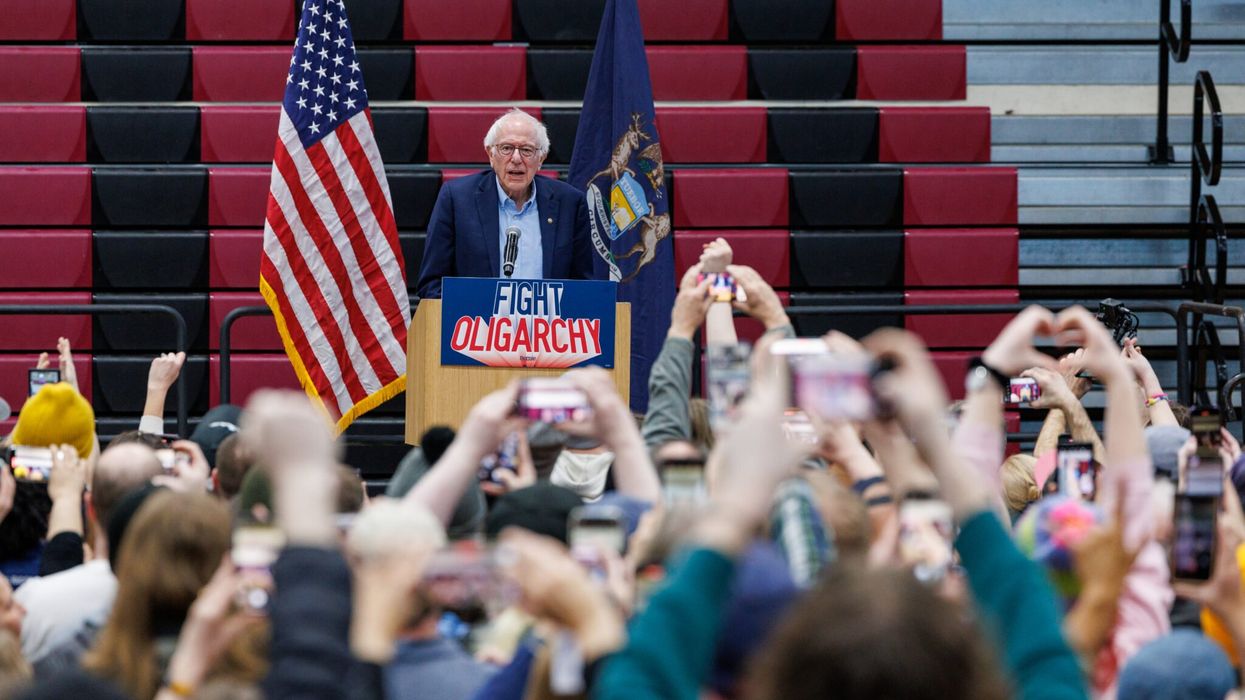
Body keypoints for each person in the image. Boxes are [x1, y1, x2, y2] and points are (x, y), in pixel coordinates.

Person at [415, 109, 594, 299]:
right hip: (478, 325)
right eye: (506, 148)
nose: (516, 159)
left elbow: (583, 288)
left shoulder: (570, 203)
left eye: (527, 150)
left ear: (541, 158)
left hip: (548, 327)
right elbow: (432, 285)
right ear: (490, 154)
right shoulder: (456, 199)